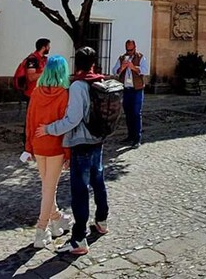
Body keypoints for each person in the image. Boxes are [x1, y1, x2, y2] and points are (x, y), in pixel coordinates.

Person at [36, 47, 109, 256]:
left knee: (80, 191)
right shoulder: (99, 81)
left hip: (82, 142)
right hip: (98, 140)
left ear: (76, 63)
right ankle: (102, 221)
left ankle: (78, 239)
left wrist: (50, 129)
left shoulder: (78, 86)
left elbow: (73, 119)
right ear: (94, 63)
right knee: (98, 180)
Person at [23, 55, 73, 249]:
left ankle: (57, 219)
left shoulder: (36, 93)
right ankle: (41, 229)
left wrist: (28, 146)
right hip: (55, 147)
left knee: (47, 186)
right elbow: (65, 127)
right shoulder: (64, 94)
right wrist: (68, 154)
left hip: (38, 144)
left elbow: (30, 120)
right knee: (49, 188)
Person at [117, 40, 149, 149]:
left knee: (136, 113)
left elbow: (145, 70)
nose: (129, 52)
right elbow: (114, 71)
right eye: (127, 50)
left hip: (137, 89)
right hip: (126, 89)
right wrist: (122, 67)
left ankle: (137, 138)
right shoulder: (122, 58)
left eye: (131, 50)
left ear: (135, 47)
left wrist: (134, 67)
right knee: (128, 113)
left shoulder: (141, 57)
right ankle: (130, 136)